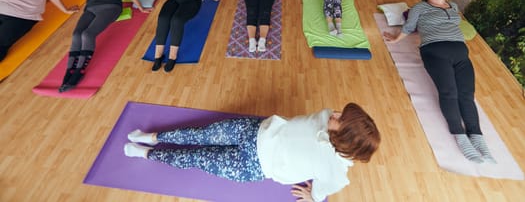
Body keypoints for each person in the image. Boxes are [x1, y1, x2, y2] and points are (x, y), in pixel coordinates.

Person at [124, 102, 380, 202]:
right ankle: (151, 138)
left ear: (344, 137)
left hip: (251, 166)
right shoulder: (325, 117)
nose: (335, 113)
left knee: (195, 158)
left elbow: (320, 193)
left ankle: (146, 154)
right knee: (196, 134)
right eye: (341, 114)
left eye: (340, 119)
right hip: (251, 130)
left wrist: (312, 196)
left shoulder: (335, 172)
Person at [383, 0, 496, 164]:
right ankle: (460, 136)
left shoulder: (453, 7)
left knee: (467, 94)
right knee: (449, 92)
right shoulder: (419, 8)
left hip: (461, 54)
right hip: (434, 51)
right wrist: (395, 39)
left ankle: (477, 137)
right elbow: (410, 27)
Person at [59, 0, 150, 92]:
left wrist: (140, 8)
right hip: (91, 8)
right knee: (76, 34)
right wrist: (86, 8)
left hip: (110, 7)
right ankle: (69, 70)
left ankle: (79, 71)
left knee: (88, 34)